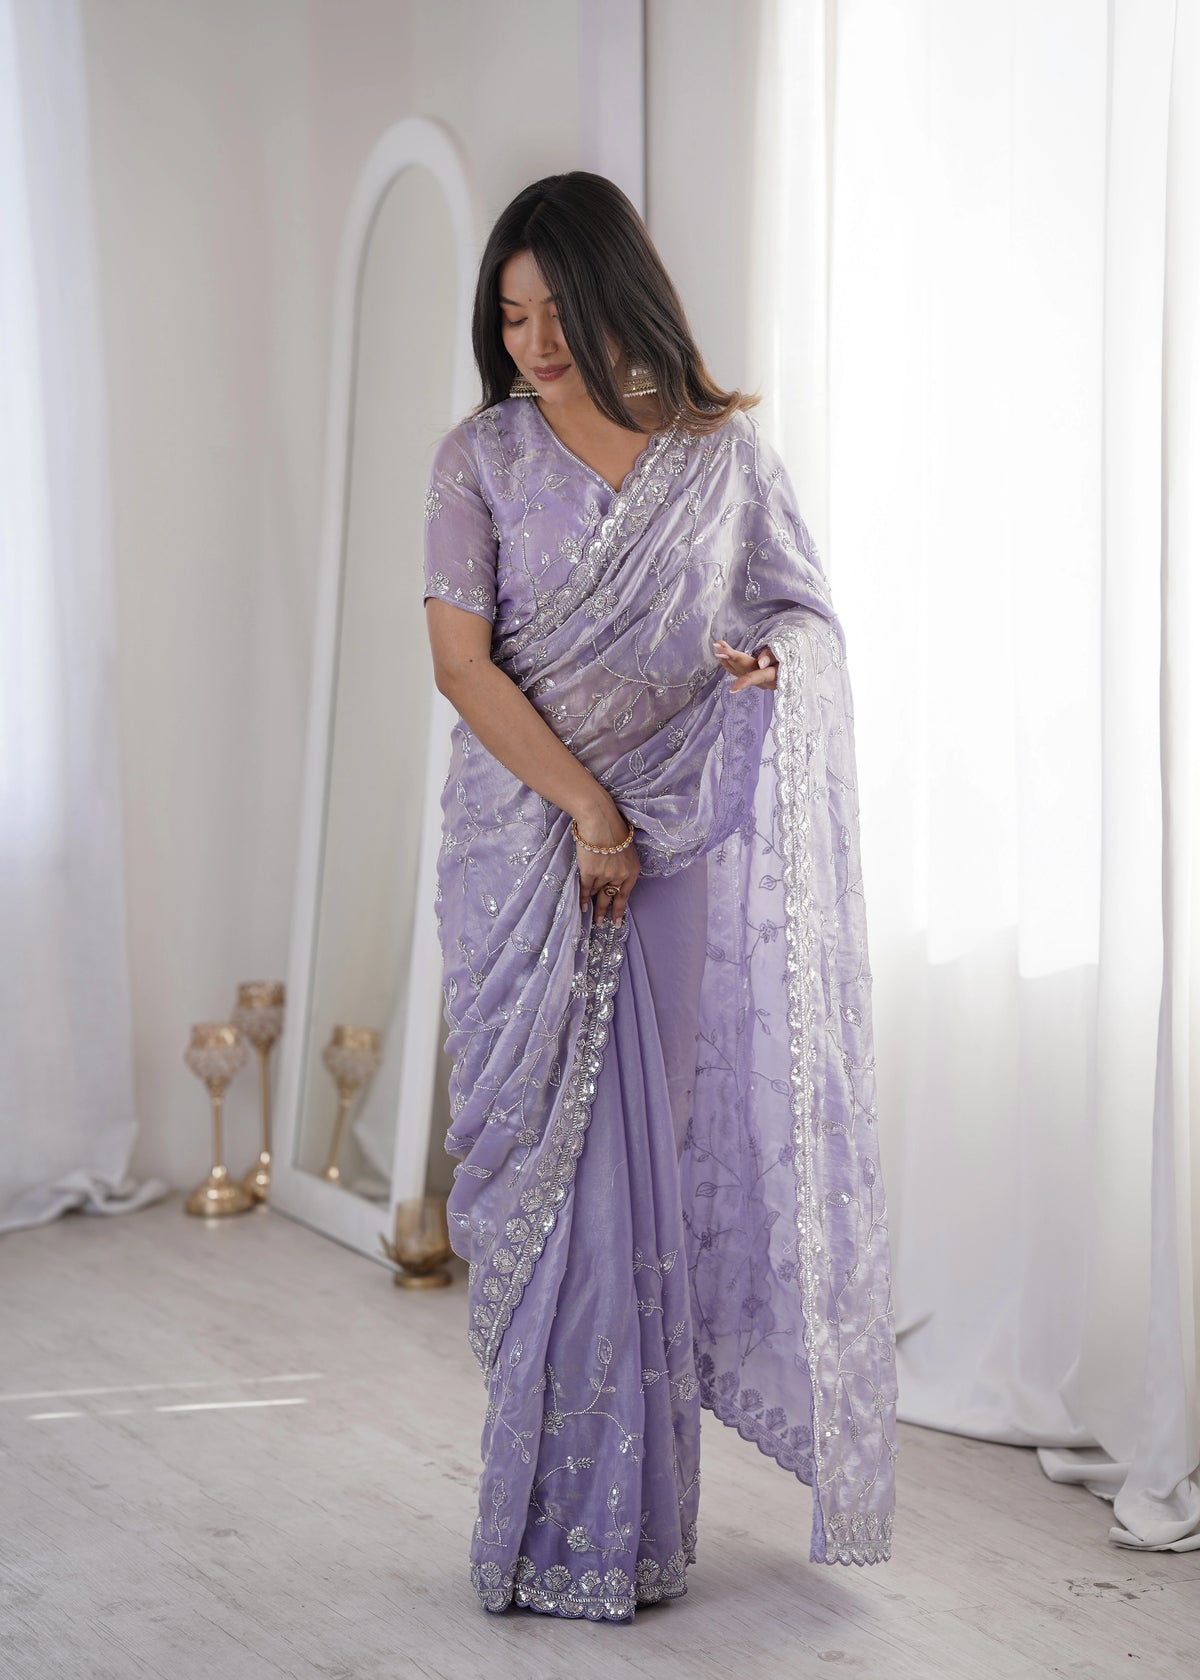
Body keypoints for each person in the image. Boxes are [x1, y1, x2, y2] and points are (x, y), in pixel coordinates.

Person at [422, 171, 897, 1623]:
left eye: (555, 311)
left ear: (615, 295)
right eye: (510, 318)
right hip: (526, 856)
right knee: (550, 1184)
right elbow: (460, 665)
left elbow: (802, 617)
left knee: (640, 1180)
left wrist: (765, 665)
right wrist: (586, 811)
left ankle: (628, 1535)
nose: (533, 343)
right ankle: (539, 1529)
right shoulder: (479, 458)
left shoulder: (723, 462)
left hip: (674, 849)